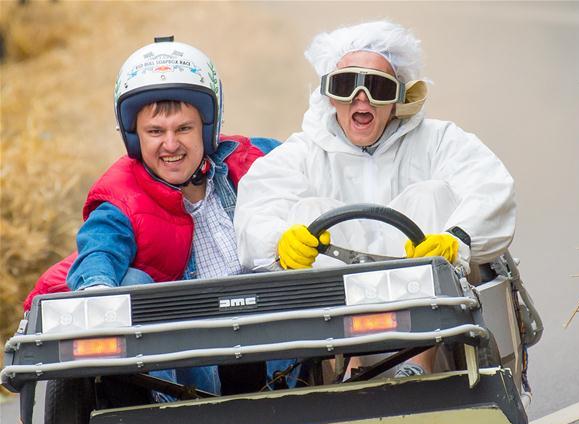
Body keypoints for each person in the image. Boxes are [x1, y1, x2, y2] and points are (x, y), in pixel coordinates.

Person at [234, 21, 515, 375]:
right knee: (309, 213)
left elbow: (490, 188)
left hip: (438, 330)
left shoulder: (439, 141)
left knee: (430, 196)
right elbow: (256, 209)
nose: (361, 99)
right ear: (329, 95)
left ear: (398, 98)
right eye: (346, 85)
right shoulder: (301, 154)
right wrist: (278, 242)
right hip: (336, 330)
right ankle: (347, 368)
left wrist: (455, 240)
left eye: (377, 87)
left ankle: (417, 364)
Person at [24, 36, 283, 395]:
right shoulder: (120, 196)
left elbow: (312, 161)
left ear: (208, 129)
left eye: (184, 129)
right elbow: (100, 248)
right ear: (134, 138)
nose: (171, 144)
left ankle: (302, 393)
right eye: (155, 132)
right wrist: (97, 289)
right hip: (191, 359)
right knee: (130, 283)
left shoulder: (255, 160)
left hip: (272, 340)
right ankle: (172, 409)